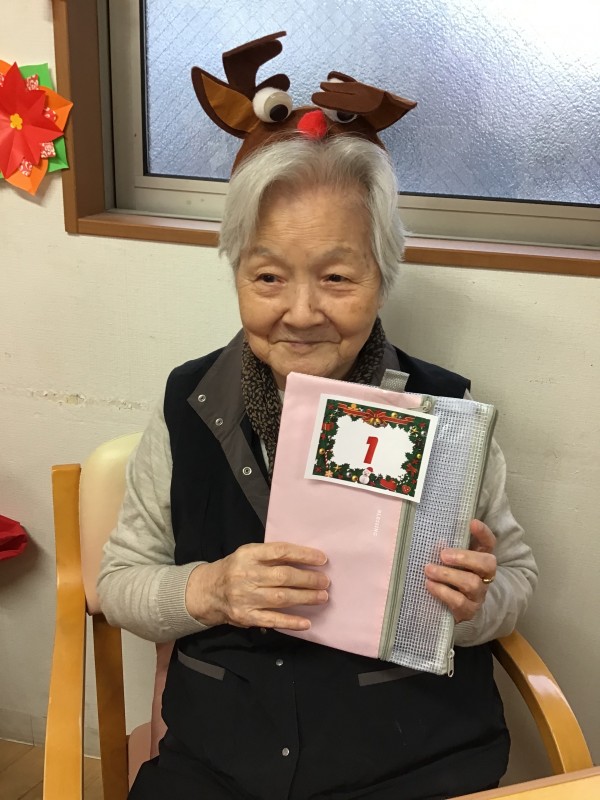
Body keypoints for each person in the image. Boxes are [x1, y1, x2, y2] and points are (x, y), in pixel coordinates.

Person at [99, 36, 538, 793]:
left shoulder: (441, 414)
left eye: (337, 277)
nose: (301, 313)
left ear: (382, 277)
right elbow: (119, 583)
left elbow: (516, 580)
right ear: (237, 273)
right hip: (222, 763)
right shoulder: (190, 404)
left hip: (413, 757)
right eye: (268, 276)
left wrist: (473, 607)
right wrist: (210, 589)